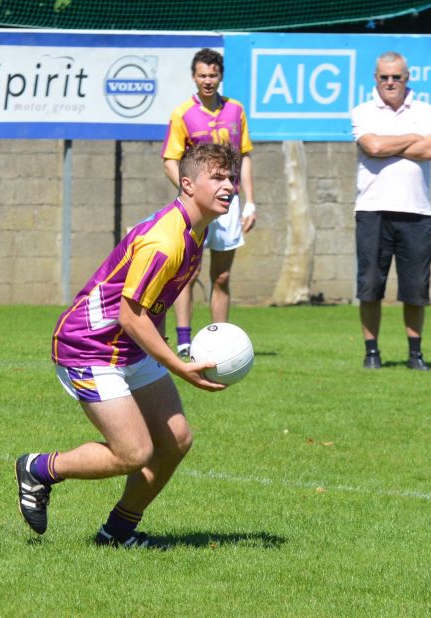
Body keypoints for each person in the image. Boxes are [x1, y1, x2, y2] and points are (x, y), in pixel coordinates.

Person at [15, 143, 235, 549]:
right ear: (187, 184)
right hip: (89, 347)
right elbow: (129, 315)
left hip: (128, 346)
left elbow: (156, 301)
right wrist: (177, 365)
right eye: (217, 178)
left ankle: (117, 533)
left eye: (231, 178)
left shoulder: (196, 230)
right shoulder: (165, 240)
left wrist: (163, 343)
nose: (229, 187)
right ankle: (39, 469)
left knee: (176, 441)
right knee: (133, 452)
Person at [161, 48, 256, 358]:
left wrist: (251, 202)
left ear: (220, 76)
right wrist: (190, 192)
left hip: (229, 205)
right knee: (186, 272)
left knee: (223, 276)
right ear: (194, 77)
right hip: (196, 208)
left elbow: (244, 157)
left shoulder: (236, 111)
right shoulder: (182, 114)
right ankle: (185, 339)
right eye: (202, 75)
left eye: (213, 75)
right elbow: (170, 161)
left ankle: (221, 344)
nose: (208, 81)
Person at [350, 51, 431, 371]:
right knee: (370, 286)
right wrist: (413, 138)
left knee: (415, 289)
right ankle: (371, 351)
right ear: (375, 78)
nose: (390, 83)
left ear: (407, 79)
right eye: (384, 77)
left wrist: (389, 143)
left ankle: (415, 353)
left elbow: (430, 150)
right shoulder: (363, 110)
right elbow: (371, 147)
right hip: (372, 210)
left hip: (416, 212)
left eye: (396, 77)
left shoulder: (425, 109)